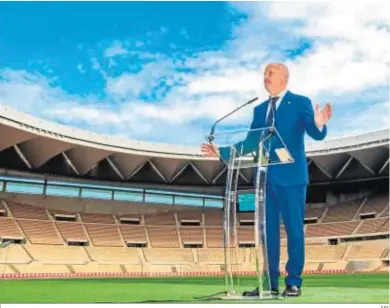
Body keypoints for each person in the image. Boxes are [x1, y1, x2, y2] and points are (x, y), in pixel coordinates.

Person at [201, 63, 332, 297]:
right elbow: (250, 143)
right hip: (266, 180)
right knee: (267, 232)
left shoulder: (300, 102)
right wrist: (221, 151)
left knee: (294, 231)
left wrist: (320, 123)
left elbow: (314, 132)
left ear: (285, 78)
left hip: (292, 178)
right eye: (264, 74)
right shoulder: (260, 110)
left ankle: (294, 282)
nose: (266, 77)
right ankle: (269, 283)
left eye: (270, 73)